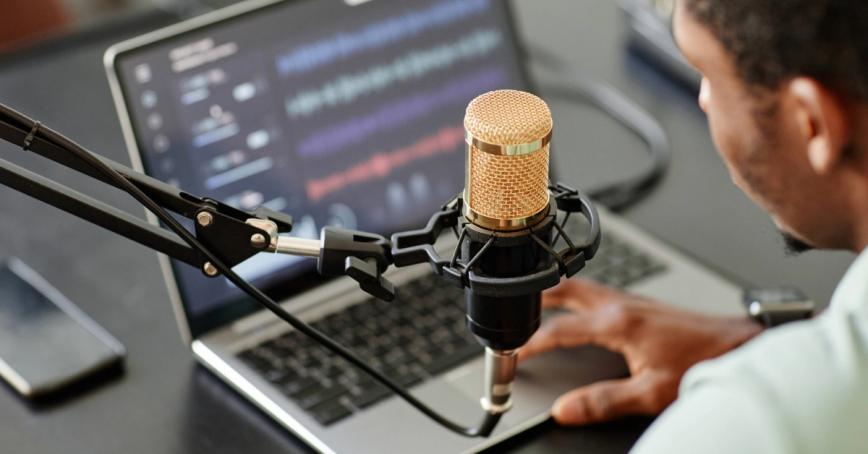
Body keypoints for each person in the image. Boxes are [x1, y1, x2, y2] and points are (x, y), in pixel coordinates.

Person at [519, 0, 868, 452]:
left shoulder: (759, 426)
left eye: (706, 71)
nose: (703, 99)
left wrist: (768, 381)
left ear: (812, 123)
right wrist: (768, 340)